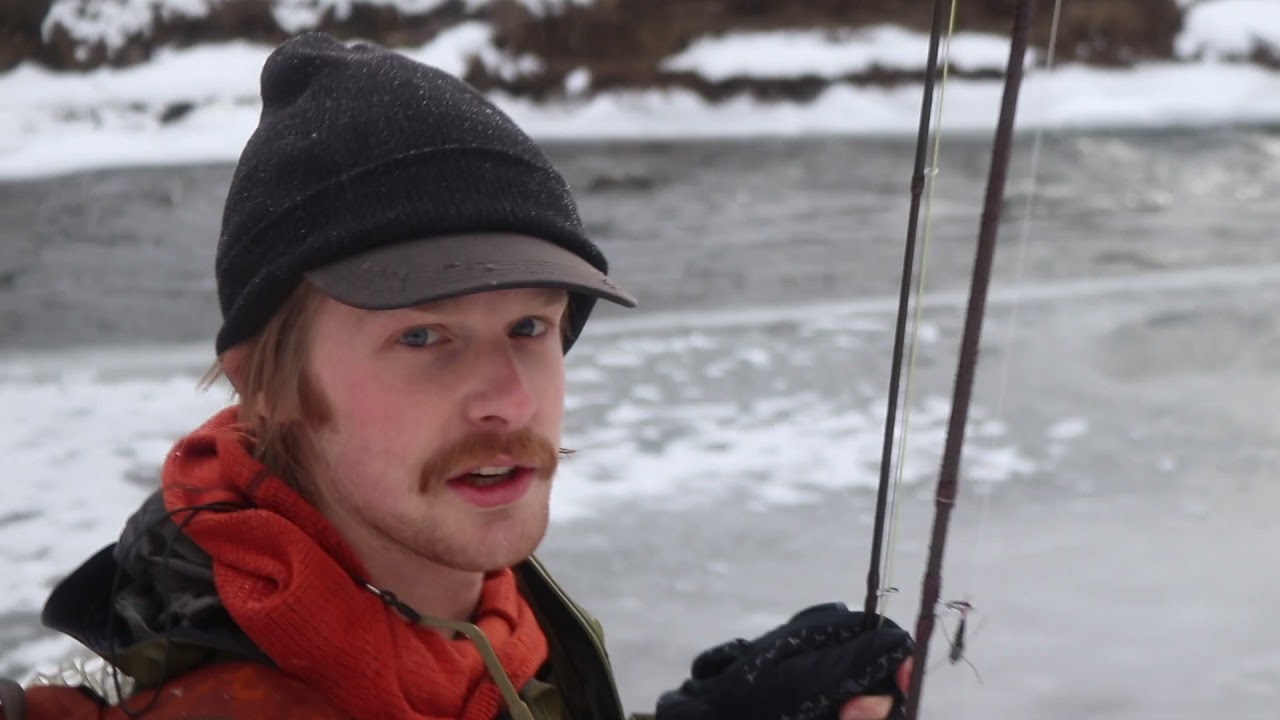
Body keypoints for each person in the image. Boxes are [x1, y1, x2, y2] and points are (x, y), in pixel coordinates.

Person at [0, 32, 913, 720]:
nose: (509, 398)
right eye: (425, 337)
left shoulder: (480, 627)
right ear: (265, 384)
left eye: (530, 326)